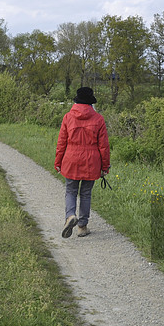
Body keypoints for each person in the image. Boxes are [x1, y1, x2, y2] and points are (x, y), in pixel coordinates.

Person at [54, 87, 110, 238]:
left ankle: (70, 216)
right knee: (85, 193)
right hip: (91, 161)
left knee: (71, 191)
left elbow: (61, 142)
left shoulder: (67, 117)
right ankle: (82, 226)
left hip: (71, 159)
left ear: (77, 100)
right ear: (91, 102)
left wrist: (58, 161)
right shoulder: (98, 119)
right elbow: (104, 146)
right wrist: (105, 166)